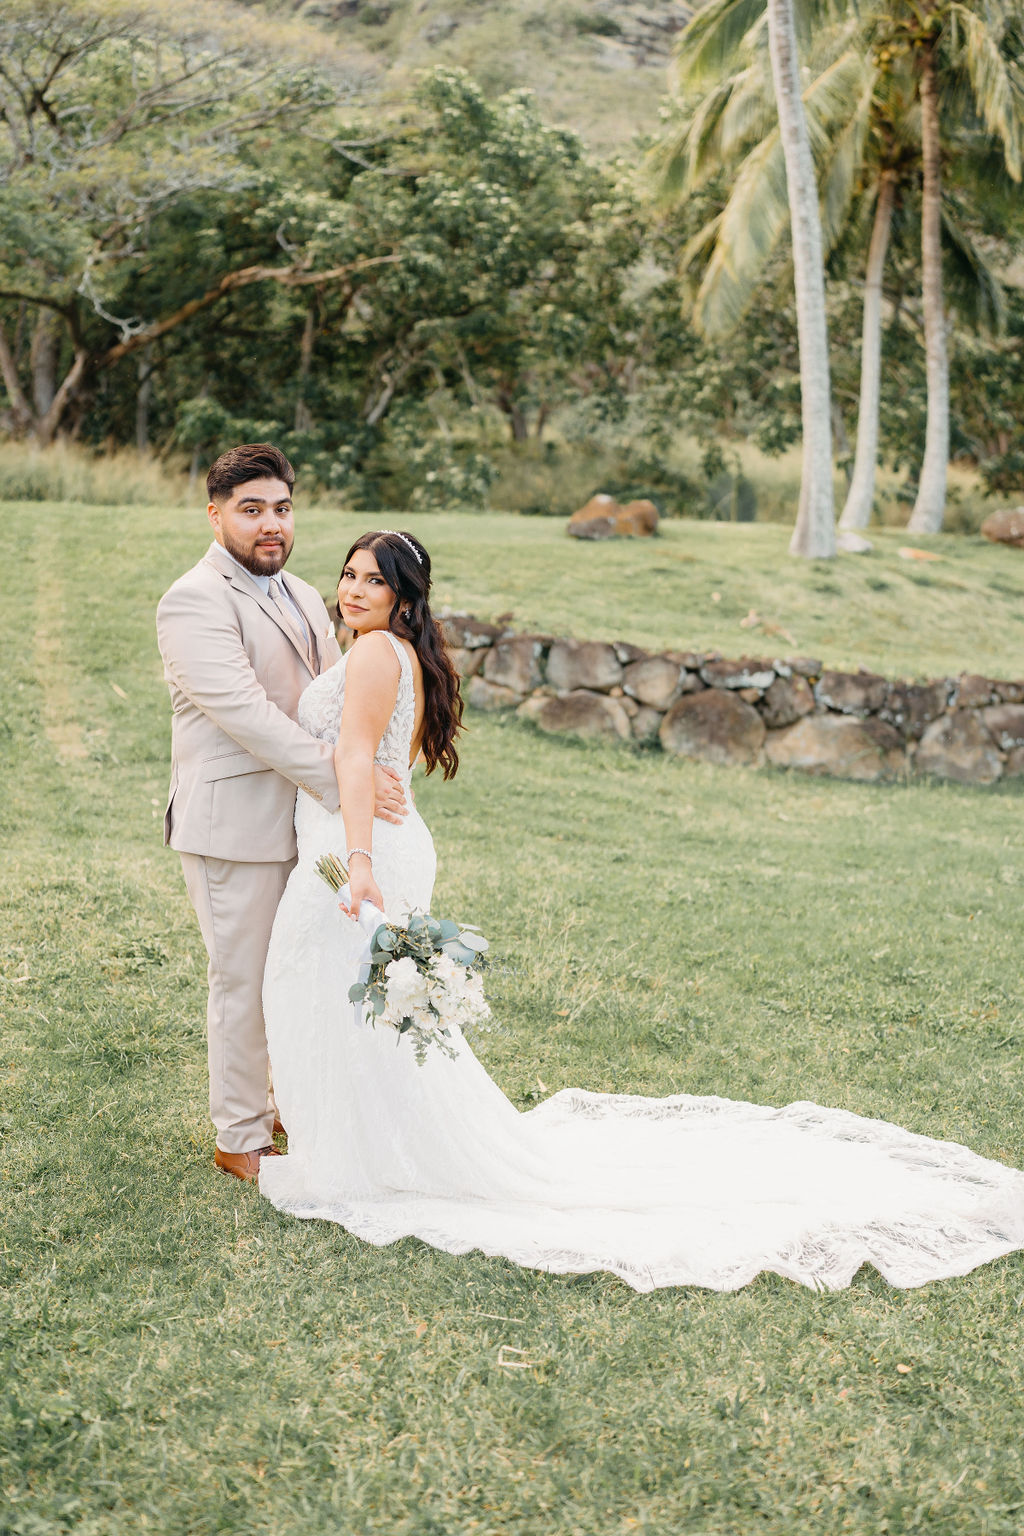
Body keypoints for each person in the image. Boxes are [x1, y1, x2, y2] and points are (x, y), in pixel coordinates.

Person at [259, 529, 1024, 1292]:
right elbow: (373, 755)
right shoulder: (396, 652)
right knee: (364, 1009)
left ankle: (371, 1157)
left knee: (328, 992)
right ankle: (368, 1147)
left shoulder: (369, 653)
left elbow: (358, 756)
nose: (354, 590)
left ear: (404, 596)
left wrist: (358, 862)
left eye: (373, 581)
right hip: (379, 840)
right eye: (348, 575)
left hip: (359, 854)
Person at [156, 445, 406, 1182]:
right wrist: (344, 780)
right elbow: (248, 715)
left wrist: (366, 768)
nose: (271, 524)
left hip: (305, 821)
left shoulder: (298, 592)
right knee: (242, 980)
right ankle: (240, 1137)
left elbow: (335, 704)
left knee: (293, 975)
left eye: (282, 508)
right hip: (232, 823)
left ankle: (288, 1105)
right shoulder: (192, 600)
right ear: (216, 514)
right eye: (252, 509)